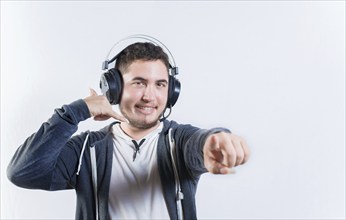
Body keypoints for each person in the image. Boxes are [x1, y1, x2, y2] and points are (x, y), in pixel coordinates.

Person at [7, 36, 250, 220]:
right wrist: (76, 111)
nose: (149, 96)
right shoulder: (86, 150)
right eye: (139, 82)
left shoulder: (179, 140)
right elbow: (22, 172)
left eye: (160, 84)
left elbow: (200, 144)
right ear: (113, 89)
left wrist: (214, 142)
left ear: (171, 92)